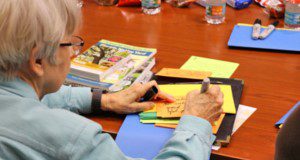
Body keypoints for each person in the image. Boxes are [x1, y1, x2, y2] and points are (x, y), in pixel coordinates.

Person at [0, 0, 223, 159]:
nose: (72, 53)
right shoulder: (73, 140)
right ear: (37, 59)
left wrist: (104, 101)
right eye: (69, 43)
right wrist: (196, 122)